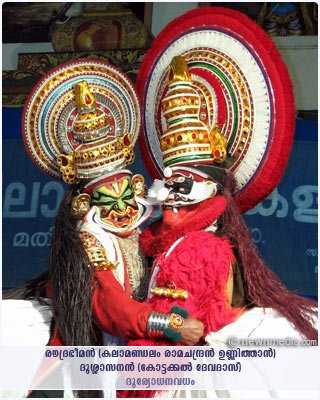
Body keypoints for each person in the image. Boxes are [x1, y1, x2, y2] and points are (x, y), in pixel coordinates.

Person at [3, 59, 204, 398]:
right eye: (110, 200)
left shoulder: (151, 230)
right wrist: (170, 325)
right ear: (86, 205)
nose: (123, 208)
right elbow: (109, 305)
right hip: (102, 344)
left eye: (128, 195)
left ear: (139, 188)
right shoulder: (89, 240)